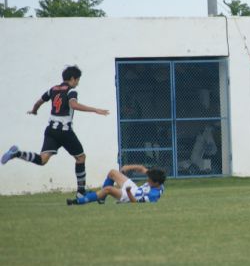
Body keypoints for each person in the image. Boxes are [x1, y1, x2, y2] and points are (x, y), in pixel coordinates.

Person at [1, 65, 109, 197]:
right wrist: (95, 110)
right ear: (73, 79)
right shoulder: (71, 91)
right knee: (81, 158)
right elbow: (73, 105)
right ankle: (81, 192)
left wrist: (34, 111)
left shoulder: (53, 89)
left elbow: (39, 102)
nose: (78, 83)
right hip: (65, 131)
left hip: (51, 130)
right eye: (78, 80)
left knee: (42, 159)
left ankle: (17, 154)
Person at [66, 164, 166, 205]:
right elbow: (142, 168)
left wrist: (128, 192)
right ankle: (101, 198)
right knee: (112, 173)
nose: (147, 180)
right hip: (134, 189)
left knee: (108, 189)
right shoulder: (155, 177)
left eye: (149, 180)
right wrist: (128, 167)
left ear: (156, 183)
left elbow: (135, 203)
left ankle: (77, 202)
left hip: (129, 196)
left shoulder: (154, 195)